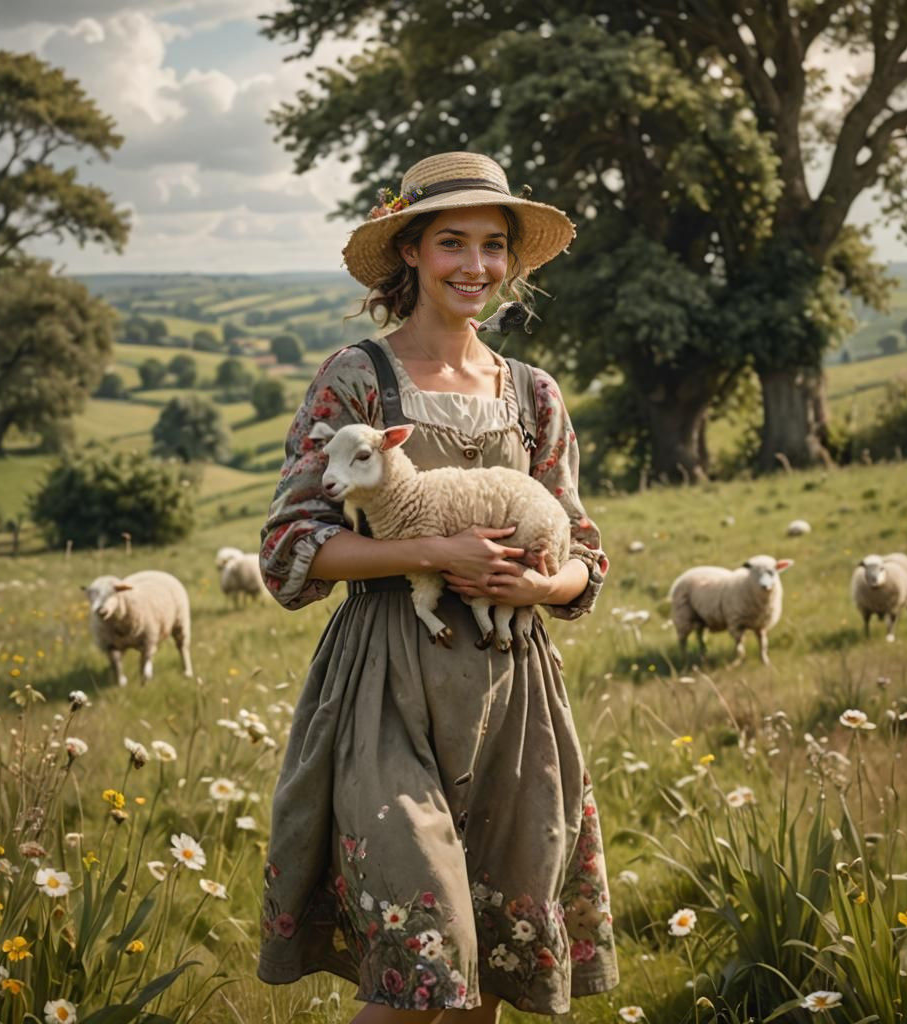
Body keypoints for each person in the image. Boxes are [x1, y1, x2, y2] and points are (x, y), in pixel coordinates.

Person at [257, 152, 618, 1020]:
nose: (475, 266)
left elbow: (582, 557)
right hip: (387, 686)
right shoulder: (357, 379)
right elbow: (288, 548)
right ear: (410, 252)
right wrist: (433, 552)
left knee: (483, 972)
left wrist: (542, 588)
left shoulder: (533, 394)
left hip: (510, 695)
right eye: (451, 242)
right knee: (418, 960)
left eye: (493, 247)